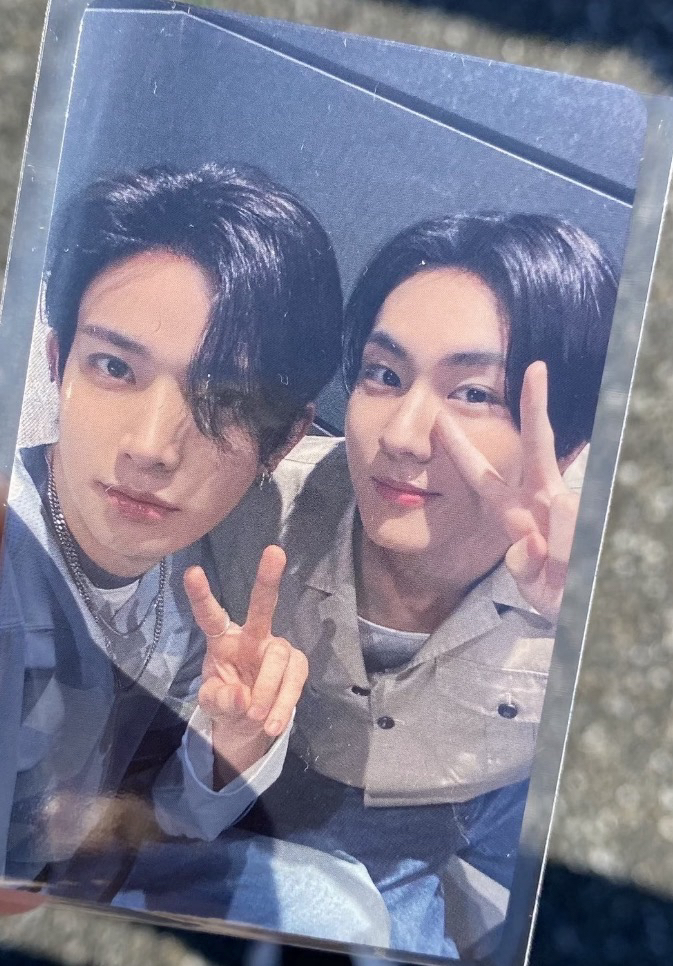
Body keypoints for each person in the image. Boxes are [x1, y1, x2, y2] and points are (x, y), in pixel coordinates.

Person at [199, 213, 618, 958]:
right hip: (280, 791)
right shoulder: (256, 511)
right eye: (384, 376)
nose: (400, 436)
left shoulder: (607, 575)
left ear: (570, 440)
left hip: (469, 809)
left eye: (474, 394)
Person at [0, 163, 390, 946]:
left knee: (342, 906)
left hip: (97, 865)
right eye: (114, 367)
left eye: (223, 401)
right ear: (56, 361)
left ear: (284, 439)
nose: (151, 447)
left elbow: (163, 819)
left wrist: (228, 747)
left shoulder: (193, 581)